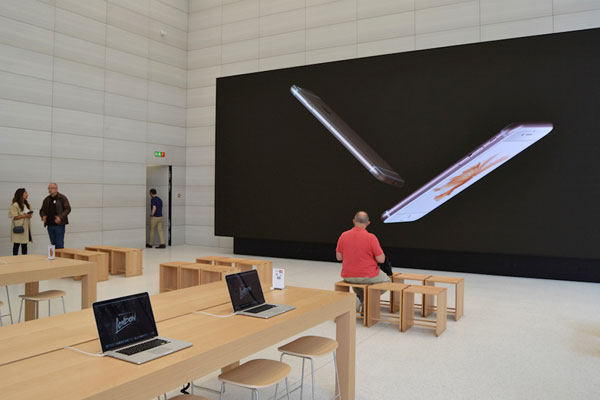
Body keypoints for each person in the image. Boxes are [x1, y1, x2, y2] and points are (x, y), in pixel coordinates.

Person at [336, 211, 391, 311]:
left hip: (348, 275)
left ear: (354, 221)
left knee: (358, 282)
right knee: (388, 281)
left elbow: (339, 257)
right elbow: (381, 259)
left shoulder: (343, 235)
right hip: (368, 274)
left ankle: (359, 298)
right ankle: (368, 299)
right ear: (368, 223)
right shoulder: (371, 237)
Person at [39, 183, 71, 249]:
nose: (50, 190)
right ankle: (55, 255)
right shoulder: (47, 199)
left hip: (59, 225)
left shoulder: (62, 198)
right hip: (50, 225)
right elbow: (42, 210)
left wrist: (60, 217)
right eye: (49, 188)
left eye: (51, 188)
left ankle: (60, 256)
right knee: (53, 244)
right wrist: (43, 216)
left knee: (59, 244)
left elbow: (68, 209)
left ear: (56, 189)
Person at [9, 188, 33, 255]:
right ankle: (15, 259)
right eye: (25, 193)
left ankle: (24, 259)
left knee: (24, 244)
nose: (27, 194)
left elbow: (30, 214)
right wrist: (25, 216)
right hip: (18, 226)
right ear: (21, 194)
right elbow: (15, 217)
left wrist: (29, 215)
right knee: (16, 244)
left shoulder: (27, 204)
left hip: (26, 227)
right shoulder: (15, 205)